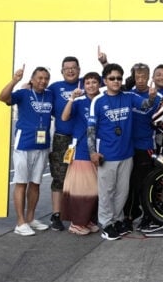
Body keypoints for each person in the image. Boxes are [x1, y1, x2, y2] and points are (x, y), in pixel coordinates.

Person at [87, 63, 157, 241]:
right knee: (107, 192)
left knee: (122, 192)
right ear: (105, 81)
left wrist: (151, 97)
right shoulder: (98, 101)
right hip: (107, 155)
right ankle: (106, 224)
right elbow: (91, 129)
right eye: (112, 78)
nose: (116, 81)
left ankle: (118, 220)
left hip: (127, 154)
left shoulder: (129, 96)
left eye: (119, 78)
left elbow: (145, 106)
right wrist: (93, 152)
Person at [0, 66, 53, 236]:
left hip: (42, 146)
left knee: (35, 183)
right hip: (24, 145)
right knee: (21, 182)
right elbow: (2, 97)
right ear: (32, 79)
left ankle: (30, 218)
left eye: (46, 78)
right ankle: (20, 222)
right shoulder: (23, 94)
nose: (43, 81)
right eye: (39, 78)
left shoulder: (50, 95)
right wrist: (15, 80)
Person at [60, 72, 102, 235]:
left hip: (98, 149)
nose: (91, 85)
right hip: (81, 151)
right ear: (83, 86)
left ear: (100, 84)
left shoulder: (102, 101)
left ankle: (87, 220)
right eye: (87, 83)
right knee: (82, 189)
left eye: (94, 82)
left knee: (94, 189)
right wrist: (72, 98)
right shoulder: (79, 102)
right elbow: (64, 117)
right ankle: (76, 223)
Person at [123, 63, 161, 232]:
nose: (140, 80)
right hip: (126, 147)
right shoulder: (127, 94)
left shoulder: (157, 97)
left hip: (146, 146)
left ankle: (148, 215)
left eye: (143, 77)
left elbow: (160, 119)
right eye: (137, 77)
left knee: (144, 184)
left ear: (149, 77)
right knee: (128, 185)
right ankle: (129, 216)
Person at [47, 56, 82, 231]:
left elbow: (109, 79)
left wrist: (104, 62)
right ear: (61, 71)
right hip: (62, 138)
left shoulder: (87, 83)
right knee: (59, 177)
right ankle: (56, 215)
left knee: (82, 178)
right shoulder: (54, 87)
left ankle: (80, 214)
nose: (70, 71)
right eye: (66, 68)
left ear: (79, 70)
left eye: (73, 67)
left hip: (82, 139)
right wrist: (28, 85)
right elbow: (39, 91)